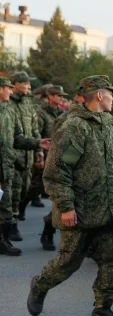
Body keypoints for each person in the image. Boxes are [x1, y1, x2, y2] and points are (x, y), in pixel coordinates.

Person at [27, 75, 113, 316]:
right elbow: (57, 170)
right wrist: (66, 206)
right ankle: (40, 285)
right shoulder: (75, 127)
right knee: (68, 262)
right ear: (98, 95)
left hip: (108, 208)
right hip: (81, 210)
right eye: (110, 93)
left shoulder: (108, 123)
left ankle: (102, 310)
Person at [0, 77, 49, 256]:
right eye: (7, 88)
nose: (11, 91)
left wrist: (38, 143)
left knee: (7, 203)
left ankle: (4, 239)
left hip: (7, 166)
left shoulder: (9, 111)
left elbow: (18, 138)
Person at [28, 85, 67, 251]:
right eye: (57, 95)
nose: (60, 98)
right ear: (49, 95)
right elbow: (36, 134)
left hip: (64, 156)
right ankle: (47, 231)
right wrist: (39, 153)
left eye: (61, 96)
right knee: (53, 196)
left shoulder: (63, 113)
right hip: (49, 154)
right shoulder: (42, 112)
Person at [9, 71, 40, 236]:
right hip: (12, 157)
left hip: (27, 156)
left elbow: (34, 129)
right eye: (26, 83)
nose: (29, 86)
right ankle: (11, 226)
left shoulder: (28, 103)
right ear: (15, 84)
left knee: (24, 190)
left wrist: (39, 150)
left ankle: (15, 215)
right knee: (12, 192)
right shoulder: (7, 104)